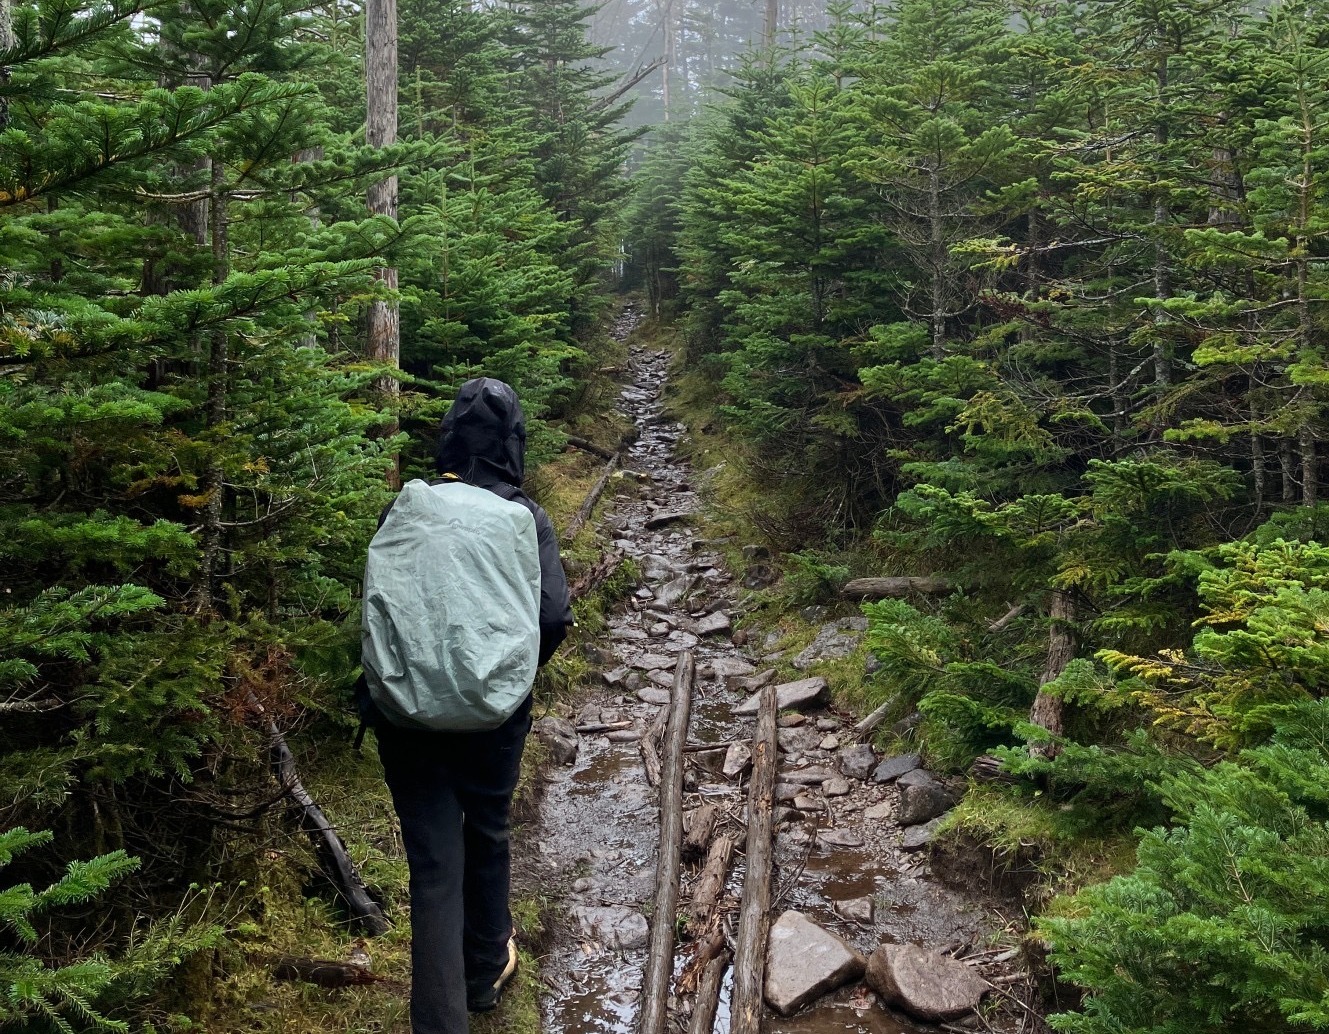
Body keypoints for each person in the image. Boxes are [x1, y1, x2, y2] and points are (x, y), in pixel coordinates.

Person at [362, 378, 573, 1033]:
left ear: (449, 437)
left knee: (431, 868)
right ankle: (483, 971)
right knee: (486, 828)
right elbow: (554, 616)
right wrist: (511, 679)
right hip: (493, 718)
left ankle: (439, 1019)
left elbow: (375, 605)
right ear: (512, 442)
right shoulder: (523, 516)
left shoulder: (407, 507)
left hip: (404, 713)